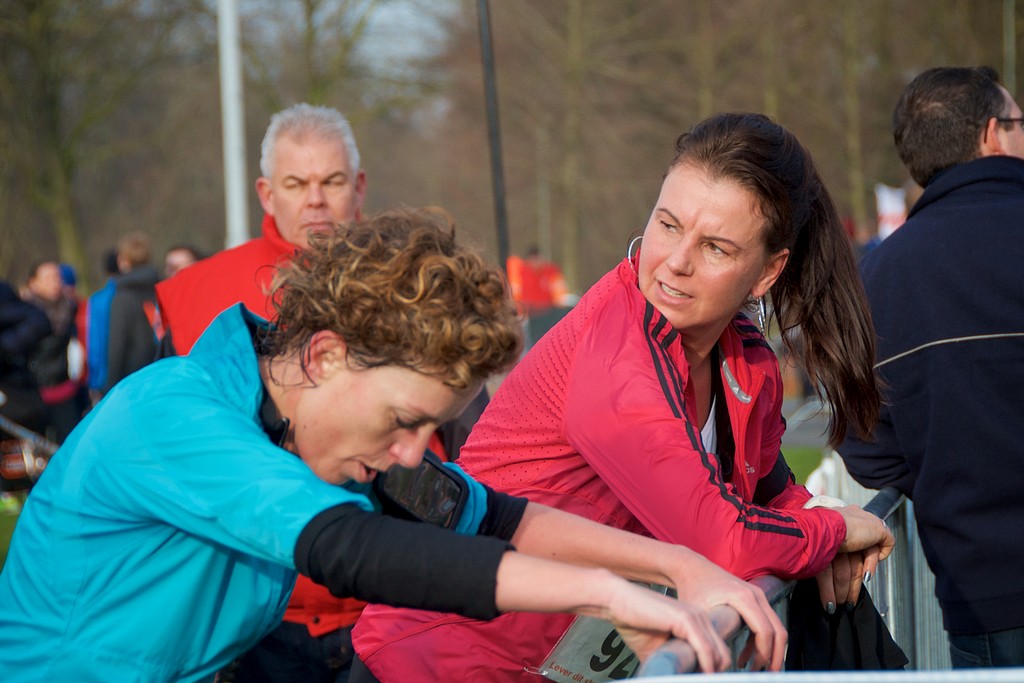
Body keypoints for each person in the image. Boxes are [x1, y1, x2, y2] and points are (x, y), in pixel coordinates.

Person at [0, 209, 785, 682]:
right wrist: (606, 595)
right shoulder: (175, 418)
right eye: (404, 419)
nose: (413, 453)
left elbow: (495, 517)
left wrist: (677, 567)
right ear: (324, 354)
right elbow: (351, 548)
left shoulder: (325, 434)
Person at [351, 113, 895, 680]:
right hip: (428, 659)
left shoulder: (746, 360)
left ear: (766, 272)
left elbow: (771, 495)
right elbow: (723, 540)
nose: (676, 262)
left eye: (715, 248)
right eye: (668, 224)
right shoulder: (615, 354)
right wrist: (835, 532)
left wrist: (821, 526)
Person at [153, 104, 480, 682]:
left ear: (359, 186)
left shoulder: (423, 287)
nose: (315, 201)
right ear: (266, 193)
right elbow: (165, 461)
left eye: (331, 182)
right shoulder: (194, 295)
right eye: (295, 184)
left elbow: (471, 444)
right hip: (256, 615)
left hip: (396, 599)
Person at [839, 66, 1024, 668]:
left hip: (985, 592)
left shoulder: (874, 282)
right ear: (993, 134)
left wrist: (945, 474)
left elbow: (866, 447)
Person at [21, 261, 84, 442]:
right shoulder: (22, 314)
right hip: (33, 394)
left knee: (69, 443)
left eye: (57, 277)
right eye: (48, 278)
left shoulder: (71, 308)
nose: (55, 282)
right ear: (33, 283)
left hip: (65, 389)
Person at [105, 231, 161, 392]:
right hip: (160, 372)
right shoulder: (161, 289)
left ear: (123, 260)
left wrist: (111, 389)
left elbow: (117, 346)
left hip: (133, 380)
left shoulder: (123, 297)